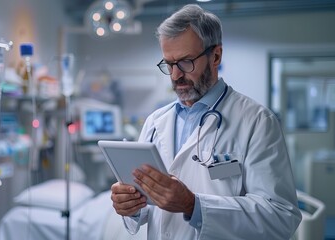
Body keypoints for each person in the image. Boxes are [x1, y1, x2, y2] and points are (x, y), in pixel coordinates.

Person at [110, 4, 302, 240]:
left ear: (216, 56)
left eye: (185, 62)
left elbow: (281, 216)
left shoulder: (257, 122)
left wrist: (194, 206)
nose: (175, 75)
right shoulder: (155, 122)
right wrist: (130, 206)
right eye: (169, 64)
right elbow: (149, 208)